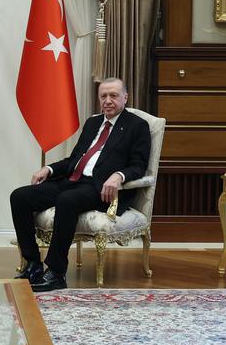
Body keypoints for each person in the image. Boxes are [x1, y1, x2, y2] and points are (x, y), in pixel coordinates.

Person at [10, 77, 151, 293]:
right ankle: (33, 265)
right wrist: (48, 170)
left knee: (67, 200)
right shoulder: (93, 123)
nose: (108, 101)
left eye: (113, 95)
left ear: (125, 97)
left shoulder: (137, 126)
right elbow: (73, 160)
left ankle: (56, 272)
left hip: (99, 188)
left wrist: (118, 176)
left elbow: (139, 165)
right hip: (71, 180)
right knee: (19, 196)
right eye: (103, 96)